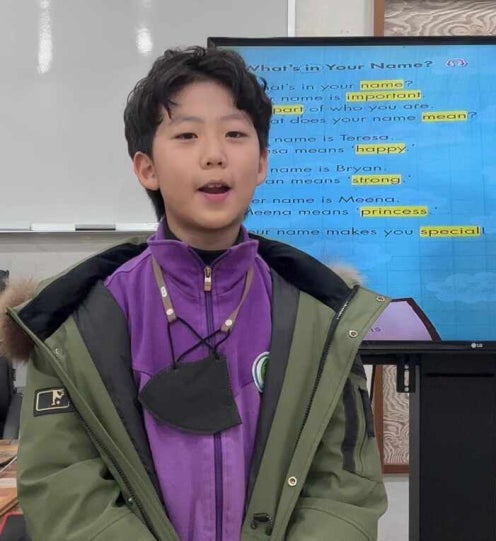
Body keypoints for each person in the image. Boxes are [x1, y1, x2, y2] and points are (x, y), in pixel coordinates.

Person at [0, 46, 389, 540]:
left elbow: (344, 487)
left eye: (235, 134)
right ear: (147, 168)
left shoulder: (321, 315)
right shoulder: (74, 322)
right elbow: (63, 485)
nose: (214, 154)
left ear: (262, 162)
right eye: (187, 135)